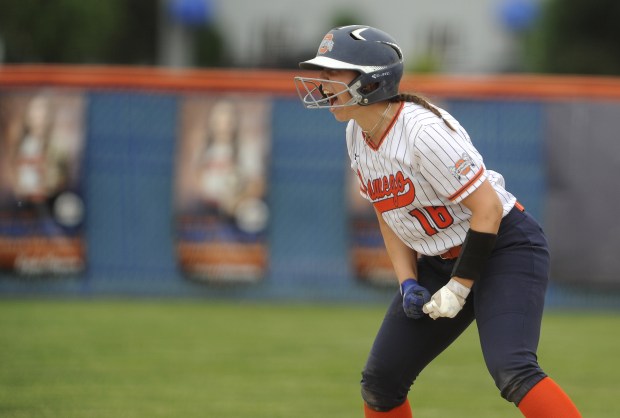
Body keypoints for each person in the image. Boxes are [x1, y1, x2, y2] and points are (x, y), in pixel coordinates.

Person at [294, 25, 582, 418]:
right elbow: (387, 212)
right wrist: (408, 282)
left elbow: (488, 210)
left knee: (512, 369)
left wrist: (460, 287)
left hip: (503, 247)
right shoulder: (356, 134)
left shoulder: (422, 131)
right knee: (381, 384)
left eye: (333, 72)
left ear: (370, 80)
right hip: (438, 258)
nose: (322, 82)